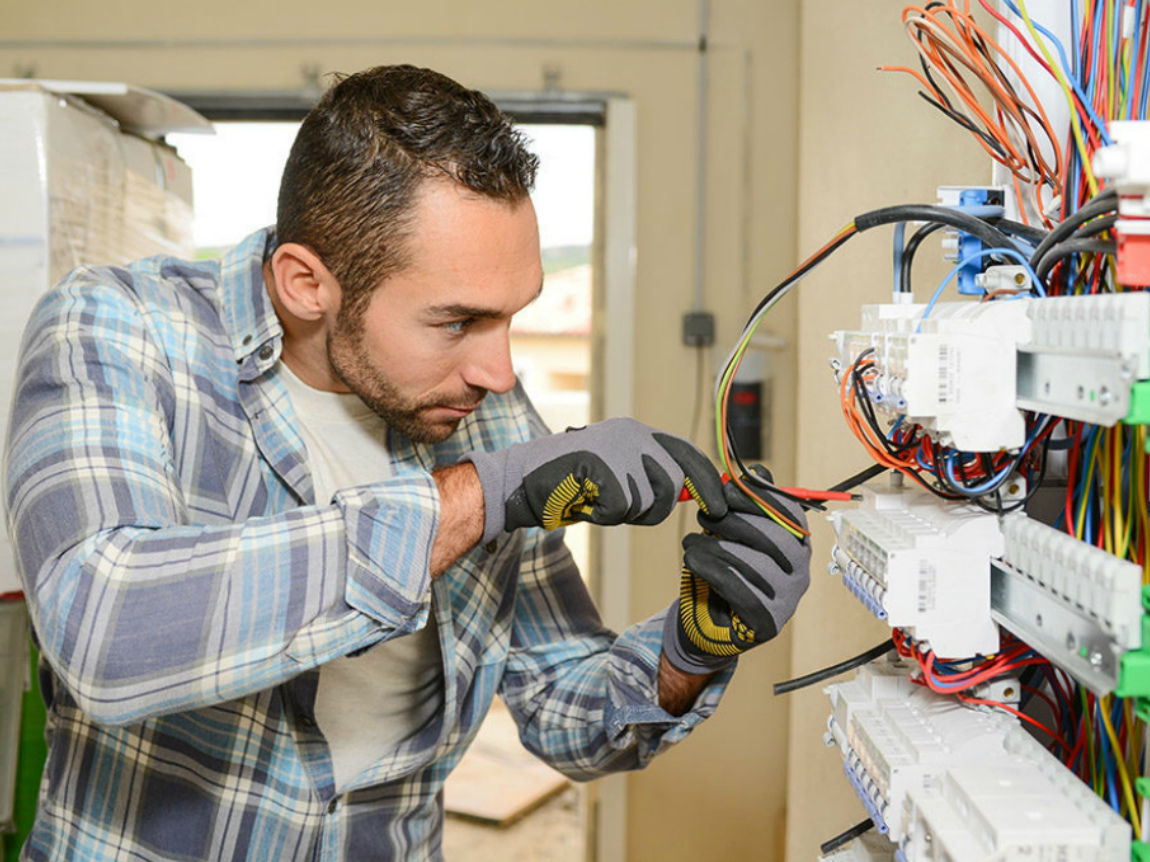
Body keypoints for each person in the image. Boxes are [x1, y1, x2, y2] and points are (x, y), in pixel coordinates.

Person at [4, 64, 811, 861]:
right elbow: (102, 628)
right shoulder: (117, 330)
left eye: (510, 318)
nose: (499, 374)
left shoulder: (483, 412)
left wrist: (692, 647)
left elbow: (566, 712)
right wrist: (477, 499)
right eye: (458, 321)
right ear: (305, 283)